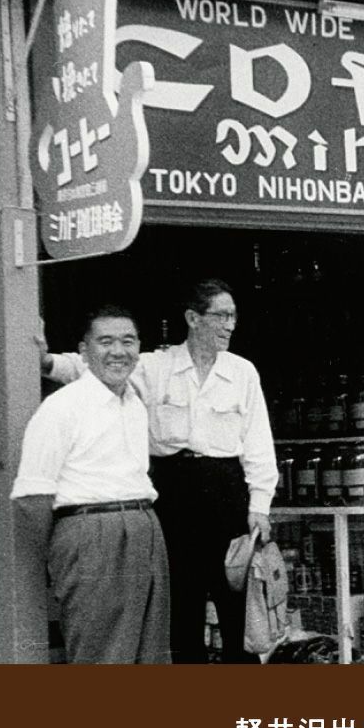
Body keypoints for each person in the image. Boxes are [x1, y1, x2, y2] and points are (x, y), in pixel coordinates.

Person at [40, 279, 277, 664]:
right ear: (193, 318)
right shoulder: (155, 366)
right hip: (173, 494)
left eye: (233, 316)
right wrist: (47, 362)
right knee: (180, 605)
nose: (230, 325)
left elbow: (259, 443)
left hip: (227, 494)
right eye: (221, 315)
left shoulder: (242, 372)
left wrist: (260, 506)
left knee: (237, 602)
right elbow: (92, 368)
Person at [12, 306, 170, 664]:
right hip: (90, 534)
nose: (118, 351)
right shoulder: (62, 407)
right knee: (102, 657)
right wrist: (65, 548)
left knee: (151, 655)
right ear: (84, 352)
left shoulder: (135, 403)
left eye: (128, 341)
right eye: (106, 341)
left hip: (144, 529)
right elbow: (32, 495)